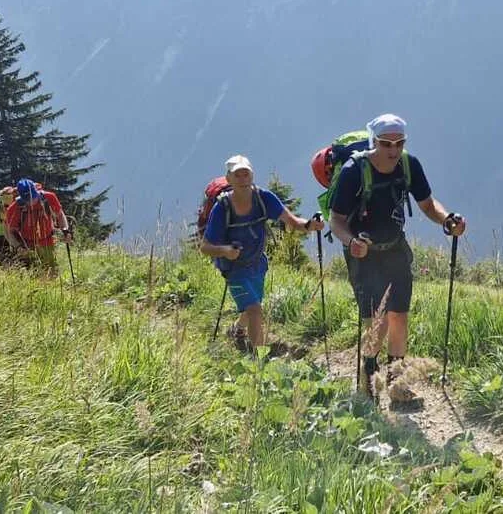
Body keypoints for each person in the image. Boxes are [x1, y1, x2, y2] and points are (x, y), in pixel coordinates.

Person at [329, 113, 466, 400]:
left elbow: (428, 204)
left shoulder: (409, 165)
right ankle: (369, 380)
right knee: (375, 322)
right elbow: (336, 221)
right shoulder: (354, 170)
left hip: (395, 248)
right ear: (374, 141)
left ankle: (396, 384)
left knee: (399, 316)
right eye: (386, 144)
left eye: (399, 143)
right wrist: (351, 242)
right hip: (363, 254)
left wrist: (446, 220)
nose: (393, 151)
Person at [198, 155, 324, 352]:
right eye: (236, 175)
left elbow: (291, 221)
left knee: (251, 307)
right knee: (255, 310)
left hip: (258, 263)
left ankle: (238, 329)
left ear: (252, 175)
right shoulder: (222, 208)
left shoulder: (264, 198)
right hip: (233, 268)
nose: (242, 178)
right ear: (229, 179)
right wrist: (224, 251)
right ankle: (260, 363)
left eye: (245, 174)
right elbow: (205, 246)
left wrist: (310, 225)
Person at [5, 178, 70, 275]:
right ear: (22, 198)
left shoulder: (49, 197)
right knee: (35, 275)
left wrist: (65, 230)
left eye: (34, 197)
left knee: (52, 273)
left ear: (36, 190)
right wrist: (18, 247)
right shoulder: (14, 208)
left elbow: (60, 215)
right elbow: (9, 231)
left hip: (48, 241)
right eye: (28, 200)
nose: (32, 201)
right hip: (28, 246)